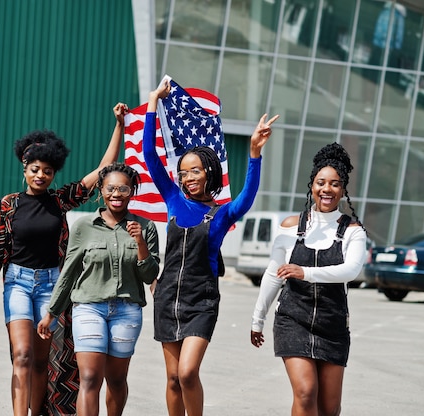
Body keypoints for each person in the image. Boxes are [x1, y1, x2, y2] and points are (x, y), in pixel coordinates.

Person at [0, 103, 129, 416]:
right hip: (16, 283)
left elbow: (102, 173)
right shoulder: (9, 205)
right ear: (24, 168)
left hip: (51, 288)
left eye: (47, 171)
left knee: (42, 362)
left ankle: (38, 411)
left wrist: (120, 126)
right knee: (23, 356)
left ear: (53, 173)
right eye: (34, 169)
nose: (40, 175)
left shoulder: (59, 201)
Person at [143, 79, 278, 416]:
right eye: (183, 171)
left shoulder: (219, 214)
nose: (188, 177)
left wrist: (255, 154)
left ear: (210, 173)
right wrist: (151, 103)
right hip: (167, 298)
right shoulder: (173, 199)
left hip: (201, 301)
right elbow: (149, 156)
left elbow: (246, 199)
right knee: (173, 379)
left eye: (195, 171)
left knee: (188, 373)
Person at [250, 143, 367, 416]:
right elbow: (273, 274)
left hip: (332, 324)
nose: (327, 189)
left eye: (335, 184)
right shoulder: (291, 227)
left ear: (343, 188)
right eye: (321, 182)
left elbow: (351, 271)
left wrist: (305, 272)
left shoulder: (352, 230)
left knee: (329, 408)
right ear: (312, 185)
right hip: (293, 319)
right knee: (305, 392)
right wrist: (258, 318)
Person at [37, 163, 160, 416]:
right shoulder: (84, 226)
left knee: (116, 380)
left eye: (123, 188)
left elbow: (149, 275)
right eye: (111, 188)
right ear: (101, 191)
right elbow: (68, 273)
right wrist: (51, 313)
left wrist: (140, 243)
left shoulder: (145, 227)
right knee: (90, 378)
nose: (117, 194)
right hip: (88, 309)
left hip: (127, 312)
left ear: (132, 191)